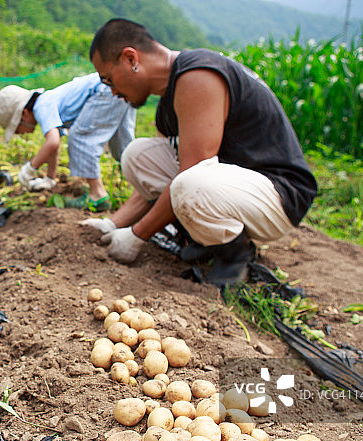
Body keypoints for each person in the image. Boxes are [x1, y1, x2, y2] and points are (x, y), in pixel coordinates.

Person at [81, 18, 317, 287]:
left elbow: (191, 174)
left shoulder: (198, 75)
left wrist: (137, 235)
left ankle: (235, 255)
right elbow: (161, 180)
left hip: (278, 193)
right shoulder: (170, 100)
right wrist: (114, 224)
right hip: (232, 187)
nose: (112, 91)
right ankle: (207, 239)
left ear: (130, 58)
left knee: (191, 181)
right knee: (138, 156)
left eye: (108, 79)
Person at [0, 72, 136, 211]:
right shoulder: (48, 101)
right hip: (117, 84)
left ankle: (97, 194)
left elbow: (52, 142)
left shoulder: (41, 107)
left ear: (24, 114)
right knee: (123, 145)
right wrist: (50, 179)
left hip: (104, 91)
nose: (20, 133)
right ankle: (135, 188)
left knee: (80, 138)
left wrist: (29, 169)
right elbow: (54, 145)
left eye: (17, 128)